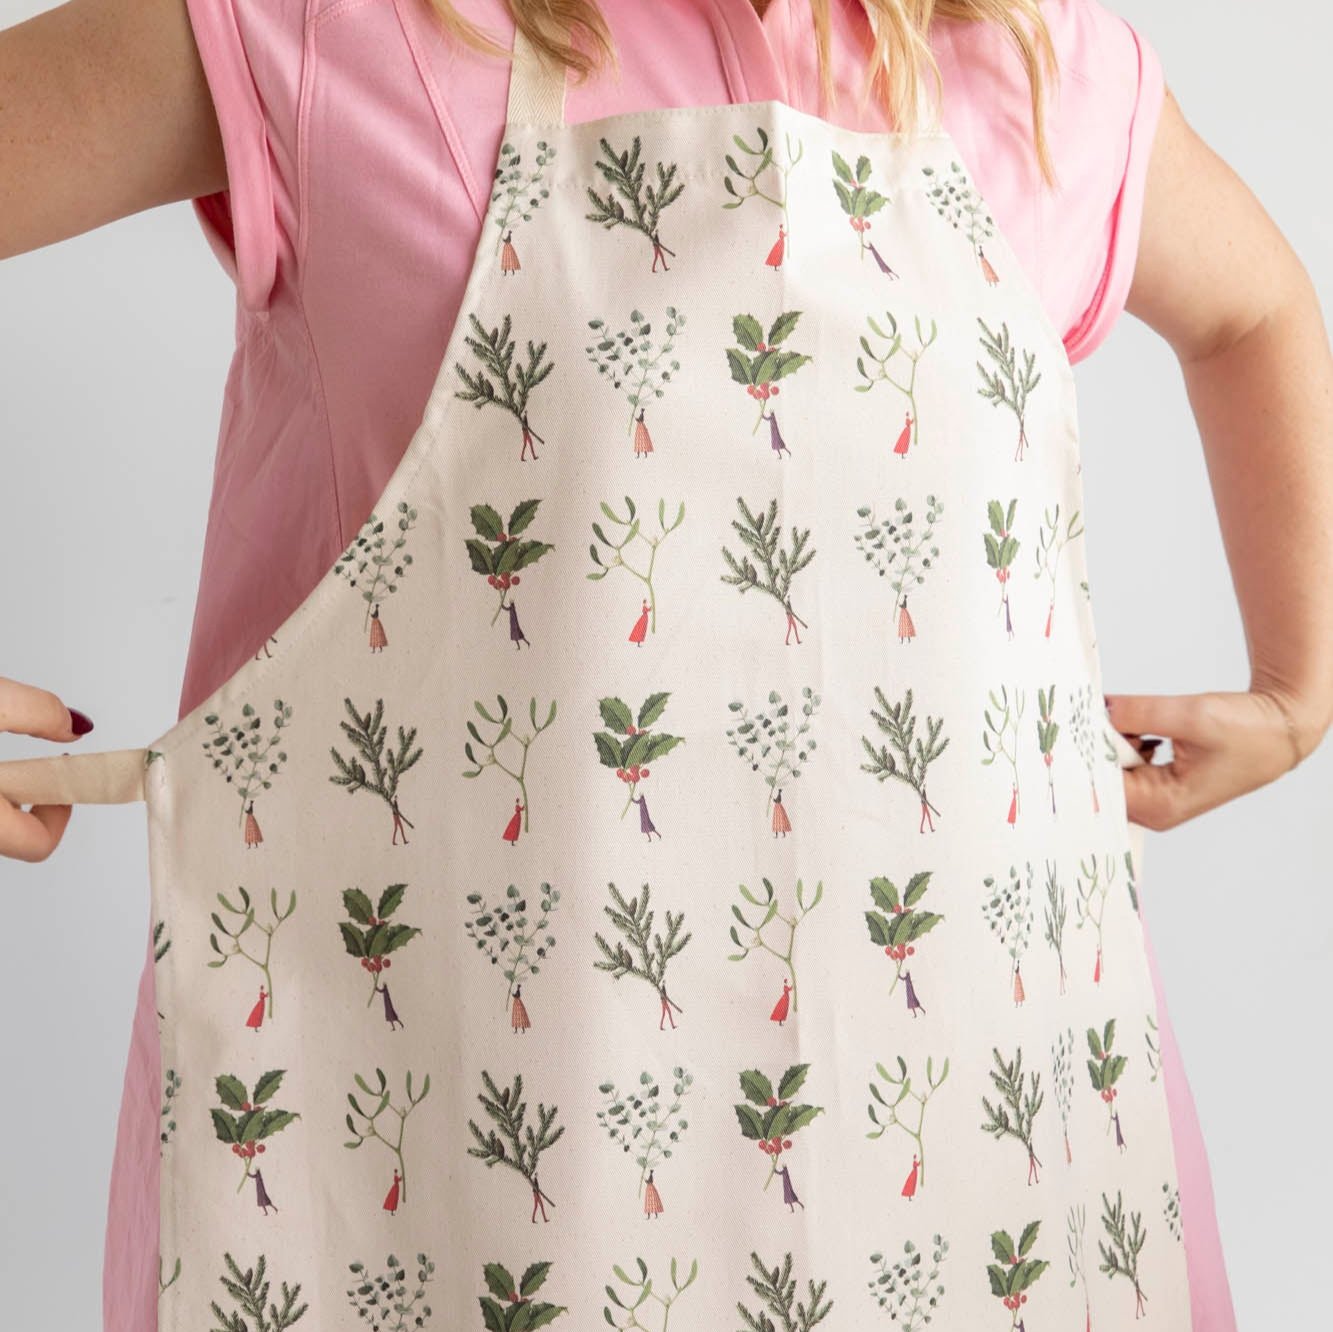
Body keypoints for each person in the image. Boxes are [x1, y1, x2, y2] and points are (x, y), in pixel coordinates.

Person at [1, 4, 1330, 1331]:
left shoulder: (1035, 67)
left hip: (997, 1171)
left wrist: (1297, 685)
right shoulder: (328, 31)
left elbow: (1253, 310)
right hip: (468, 1166)